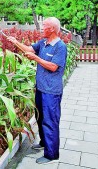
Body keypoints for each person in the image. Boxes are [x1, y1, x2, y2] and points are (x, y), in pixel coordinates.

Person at [7, 17, 67, 165]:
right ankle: (44, 142)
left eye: (44, 26)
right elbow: (29, 49)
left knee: (50, 121)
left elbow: (53, 67)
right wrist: (15, 42)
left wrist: (36, 59)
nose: (41, 28)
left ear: (52, 29)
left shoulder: (60, 46)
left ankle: (52, 155)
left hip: (51, 91)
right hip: (40, 88)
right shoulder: (43, 43)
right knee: (40, 117)